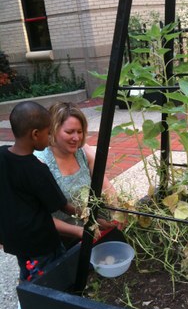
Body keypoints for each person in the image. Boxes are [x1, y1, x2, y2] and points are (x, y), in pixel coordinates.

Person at [0, 101, 94, 309]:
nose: (49, 137)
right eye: (48, 132)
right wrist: (87, 216)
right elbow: (60, 204)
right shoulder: (37, 168)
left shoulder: (2, 155)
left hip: (15, 236)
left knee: (28, 271)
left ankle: (30, 305)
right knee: (47, 276)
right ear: (35, 135)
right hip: (41, 238)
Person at [35, 102, 123, 248]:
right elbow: (41, 217)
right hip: (58, 238)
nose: (76, 138)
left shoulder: (84, 151)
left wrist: (118, 211)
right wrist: (81, 230)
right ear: (53, 130)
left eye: (80, 131)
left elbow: (104, 185)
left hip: (89, 226)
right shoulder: (40, 163)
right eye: (69, 132)